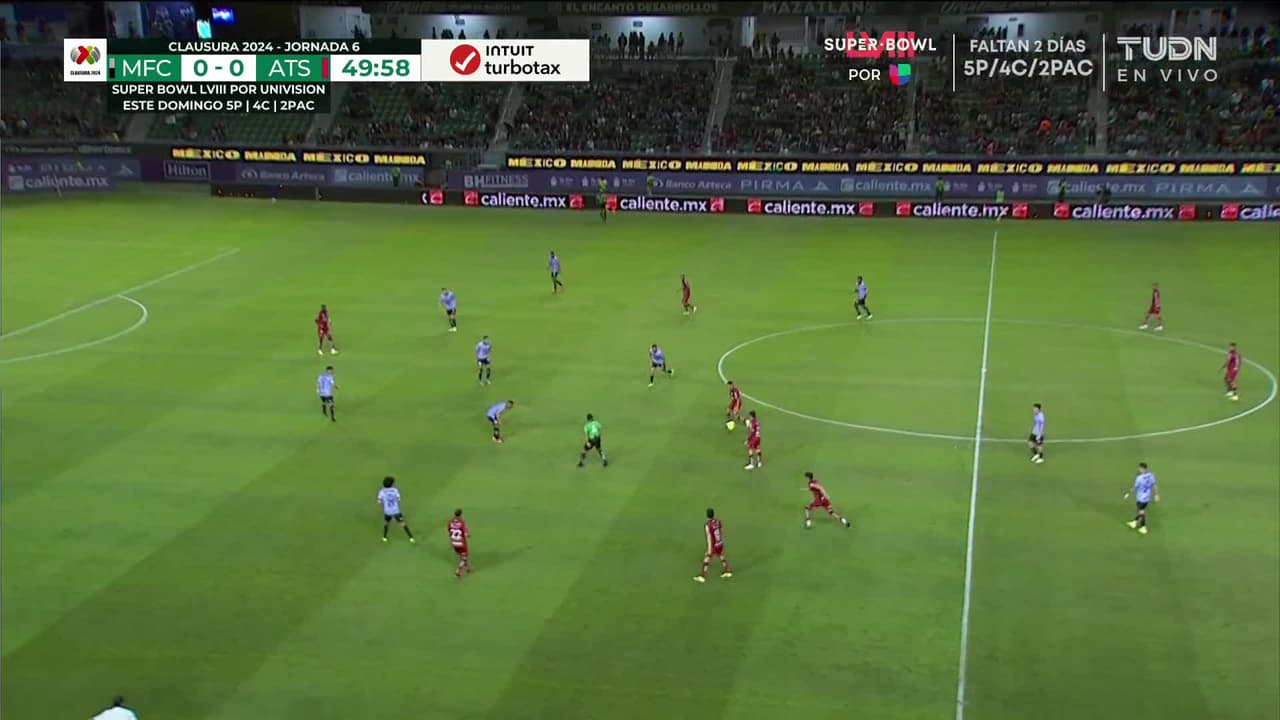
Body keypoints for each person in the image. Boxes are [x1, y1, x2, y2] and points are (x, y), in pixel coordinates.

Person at [693, 508, 732, 582]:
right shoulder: (718, 521)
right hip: (720, 542)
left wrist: (709, 549)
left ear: (707, 515)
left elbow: (709, 537)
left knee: (707, 559)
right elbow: (721, 531)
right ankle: (727, 571)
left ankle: (702, 576)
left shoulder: (708, 525)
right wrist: (721, 541)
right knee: (721, 555)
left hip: (714, 545)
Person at [1124, 462, 1159, 535]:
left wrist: (1128, 493)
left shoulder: (1139, 478)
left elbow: (1135, 487)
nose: (1139, 469)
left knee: (1141, 512)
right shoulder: (1151, 475)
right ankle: (1134, 522)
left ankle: (1143, 527)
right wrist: (1156, 495)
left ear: (1143, 469)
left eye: (1140, 468)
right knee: (1139, 510)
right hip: (1147, 498)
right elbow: (1154, 485)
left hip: (1141, 498)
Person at [377, 476, 415, 543]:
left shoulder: (381, 492)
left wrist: (384, 501)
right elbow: (398, 499)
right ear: (392, 484)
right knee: (402, 523)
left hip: (387, 512)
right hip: (396, 511)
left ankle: (384, 537)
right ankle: (411, 538)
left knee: (387, 523)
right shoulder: (395, 490)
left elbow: (379, 501)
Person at [448, 509, 471, 578]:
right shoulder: (462, 522)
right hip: (461, 543)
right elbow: (465, 534)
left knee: (462, 556)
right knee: (464, 558)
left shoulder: (450, 522)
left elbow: (449, 531)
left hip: (454, 542)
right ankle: (457, 572)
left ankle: (468, 569)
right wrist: (468, 535)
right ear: (461, 515)